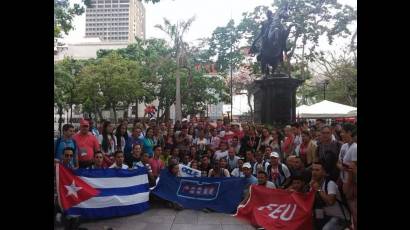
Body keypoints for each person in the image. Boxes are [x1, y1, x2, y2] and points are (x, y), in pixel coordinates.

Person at [310, 162, 350, 230]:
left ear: (324, 172)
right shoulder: (312, 185)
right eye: (312, 170)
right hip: (323, 216)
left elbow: (330, 202)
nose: (314, 172)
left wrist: (319, 189)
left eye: (317, 170)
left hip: (339, 217)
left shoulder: (330, 184)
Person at [337, 123, 357, 229]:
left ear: (349, 133)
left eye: (343, 132)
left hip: (350, 182)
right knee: (350, 207)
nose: (341, 134)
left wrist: (347, 185)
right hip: (343, 179)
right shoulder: (344, 146)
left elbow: (351, 170)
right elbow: (338, 163)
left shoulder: (355, 148)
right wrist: (342, 167)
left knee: (353, 207)